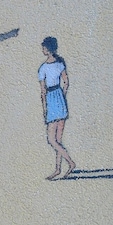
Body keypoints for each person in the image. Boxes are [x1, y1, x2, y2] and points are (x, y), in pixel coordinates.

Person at [38, 36, 76, 180]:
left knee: (52, 140)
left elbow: (43, 92)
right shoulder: (60, 64)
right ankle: (58, 169)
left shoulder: (43, 68)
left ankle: (70, 162)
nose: (42, 49)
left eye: (43, 47)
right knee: (58, 140)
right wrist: (62, 96)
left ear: (48, 49)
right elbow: (66, 83)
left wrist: (45, 109)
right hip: (60, 98)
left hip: (51, 100)